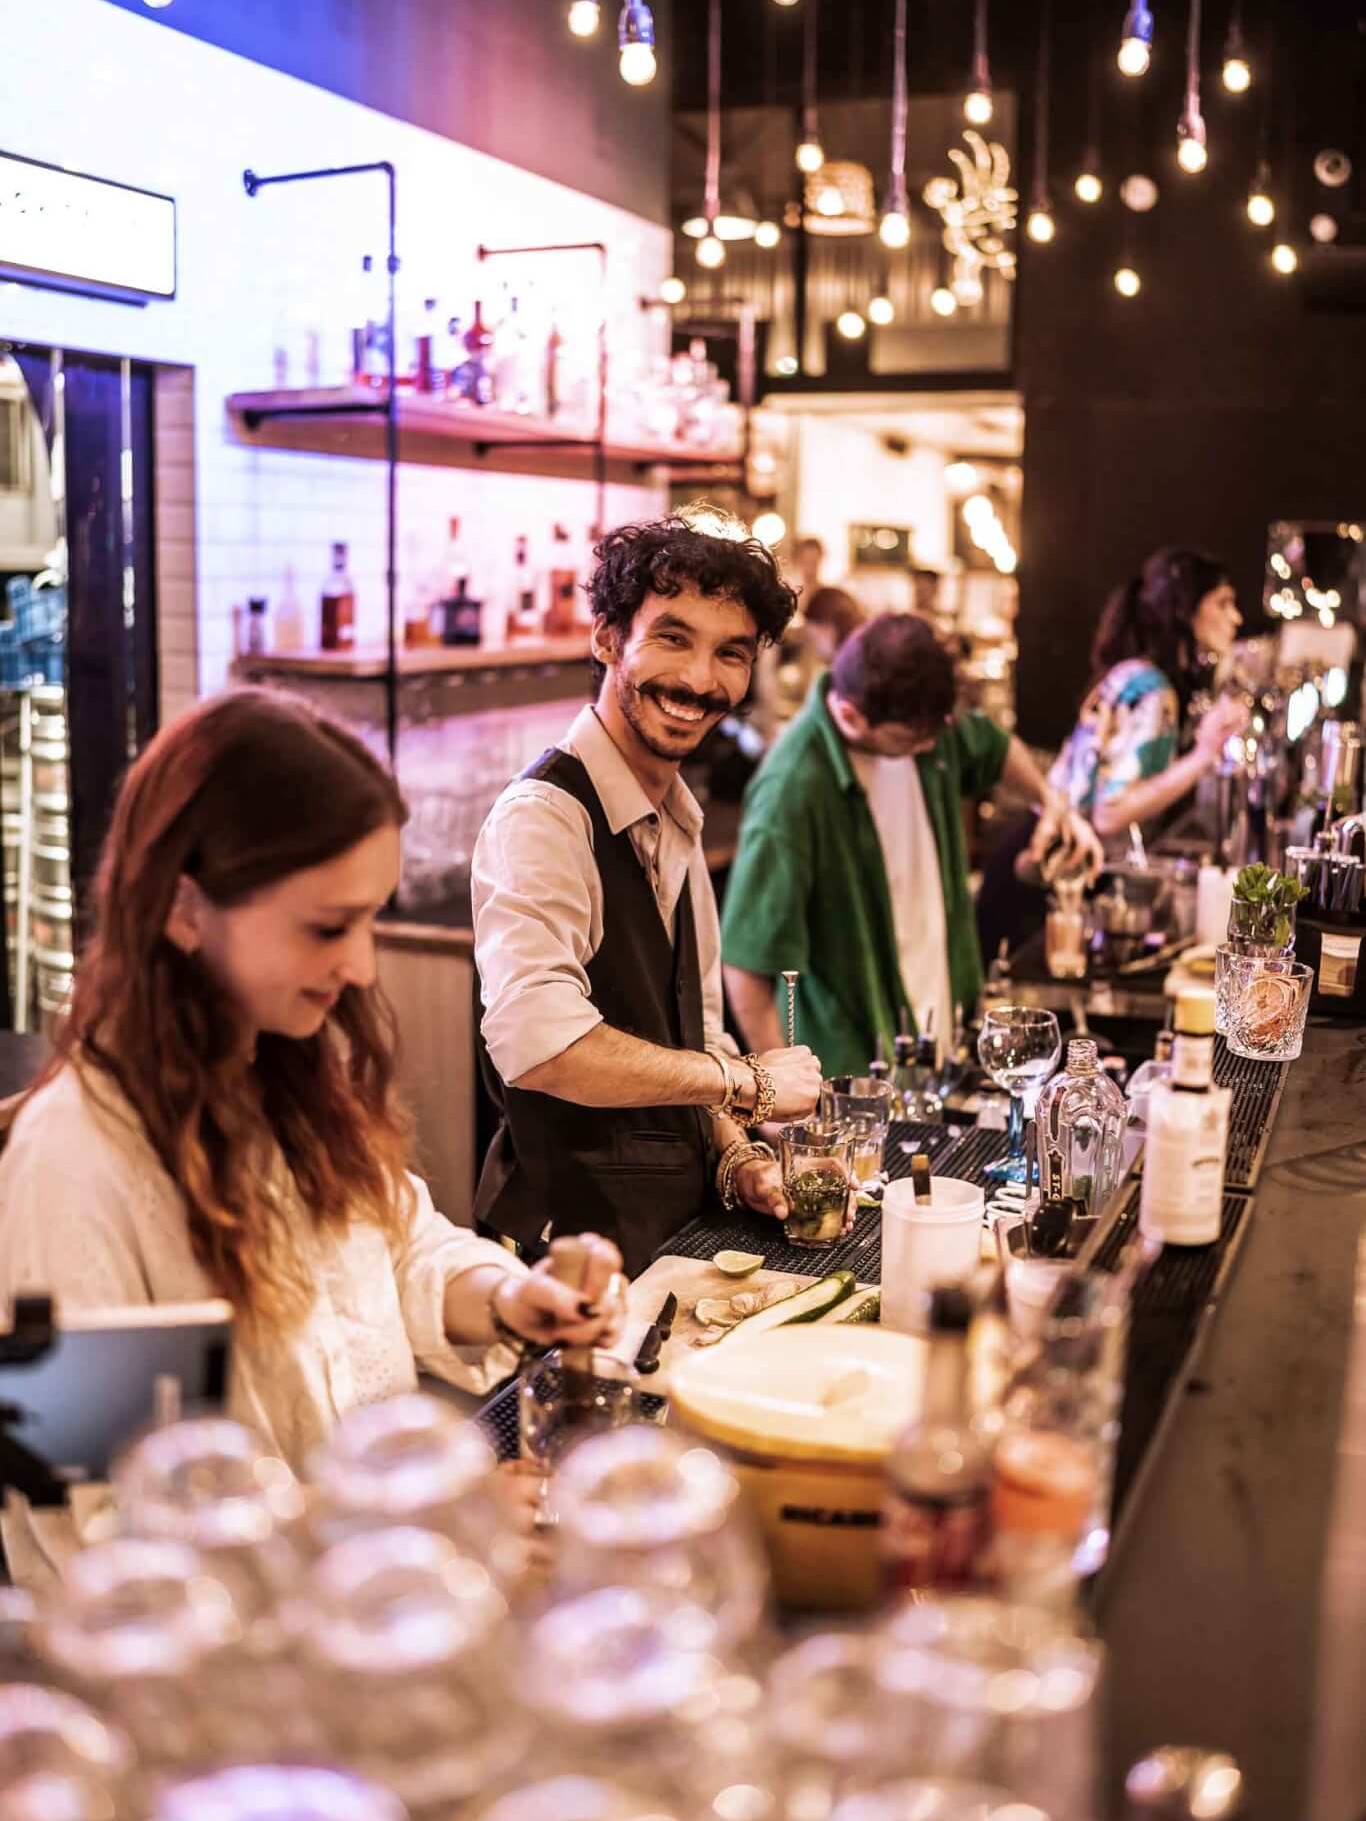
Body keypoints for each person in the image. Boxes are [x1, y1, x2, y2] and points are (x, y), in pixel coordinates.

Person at [0, 690, 625, 1483]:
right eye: (329, 928)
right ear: (186, 908)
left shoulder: (282, 1068)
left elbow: (398, 1250)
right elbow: (91, 1536)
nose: (363, 967)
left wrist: (509, 1294)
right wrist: (399, 1529)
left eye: (370, 921)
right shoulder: (73, 1166)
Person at [471, 513, 822, 1276]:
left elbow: (689, 1040)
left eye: (730, 653)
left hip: (671, 1239)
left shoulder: (676, 818)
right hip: (567, 1258)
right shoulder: (545, 819)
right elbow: (541, 1045)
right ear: (606, 638)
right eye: (672, 637)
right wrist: (750, 1082)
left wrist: (737, 1158)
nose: (700, 680)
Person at [722, 613, 1102, 1076]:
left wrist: (1051, 806)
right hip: (857, 1076)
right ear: (849, 716)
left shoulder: (924, 727)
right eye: (910, 741)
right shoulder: (792, 789)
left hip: (944, 1038)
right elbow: (744, 965)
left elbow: (993, 747)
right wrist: (779, 1104)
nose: (929, 749)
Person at [1049, 546, 1248, 848]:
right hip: (1051, 863)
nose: (1236, 618)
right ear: (1185, 608)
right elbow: (1109, 814)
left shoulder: (1140, 675)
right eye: (1222, 603)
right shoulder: (1151, 687)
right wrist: (1204, 754)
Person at [801, 585, 866, 666]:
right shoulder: (864, 661)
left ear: (827, 629)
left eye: (813, 639)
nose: (814, 649)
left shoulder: (848, 672)